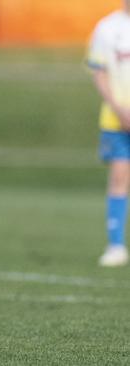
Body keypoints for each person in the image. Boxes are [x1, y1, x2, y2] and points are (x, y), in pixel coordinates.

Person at [88, 0, 130, 267]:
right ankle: (115, 245)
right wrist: (120, 109)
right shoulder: (106, 28)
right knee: (119, 176)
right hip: (117, 120)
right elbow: (99, 71)